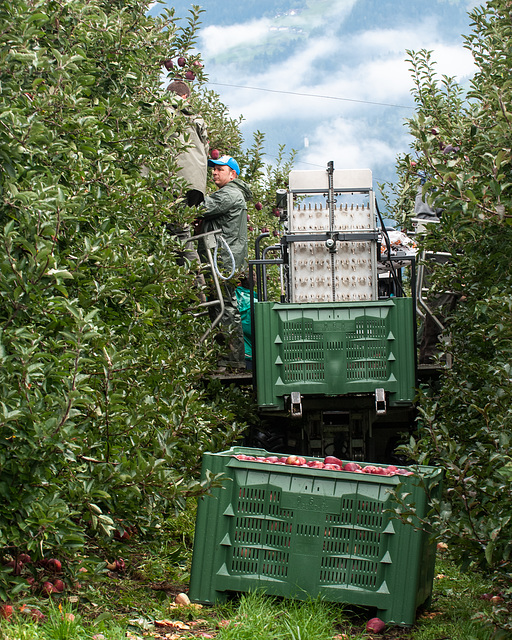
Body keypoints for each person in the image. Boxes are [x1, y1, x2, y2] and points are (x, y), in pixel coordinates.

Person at [199, 155, 253, 370]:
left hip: (223, 260)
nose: (214, 172)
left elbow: (201, 207)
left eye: (220, 169)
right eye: (213, 169)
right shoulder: (230, 193)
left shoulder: (229, 194)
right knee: (222, 306)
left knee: (226, 307)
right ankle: (227, 359)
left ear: (233, 174)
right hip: (224, 259)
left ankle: (232, 361)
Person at [165, 81, 209, 270]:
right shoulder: (196, 119)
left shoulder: (160, 110)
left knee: (173, 231)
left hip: (169, 180)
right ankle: (191, 284)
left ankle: (193, 287)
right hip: (193, 184)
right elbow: (206, 148)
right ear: (185, 97)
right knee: (181, 230)